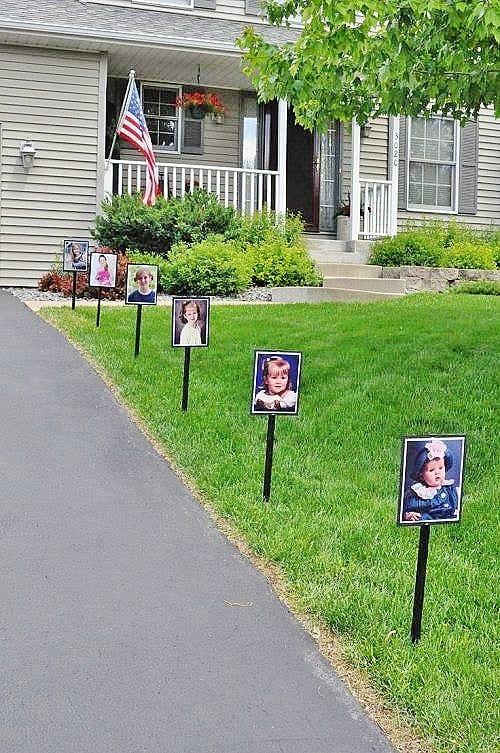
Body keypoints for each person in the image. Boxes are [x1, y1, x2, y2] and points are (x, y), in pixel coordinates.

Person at [402, 439, 459, 522]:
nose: (437, 473)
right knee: (422, 518)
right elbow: (408, 506)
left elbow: (455, 504)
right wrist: (409, 514)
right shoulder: (418, 492)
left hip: (448, 516)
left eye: (441, 468)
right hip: (429, 517)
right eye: (431, 470)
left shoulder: (448, 487)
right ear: (421, 476)